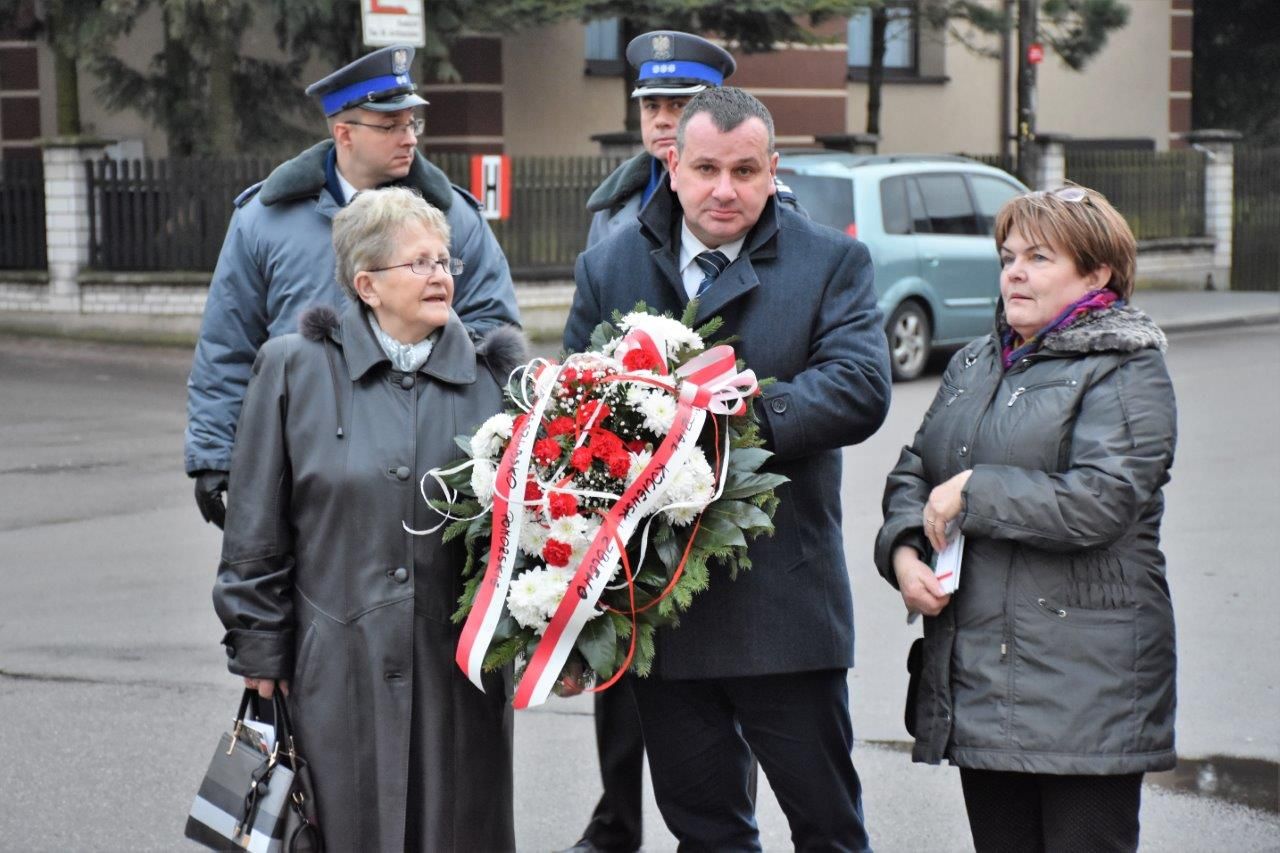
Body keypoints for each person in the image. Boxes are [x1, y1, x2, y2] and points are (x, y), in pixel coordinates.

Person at [566, 86, 891, 852]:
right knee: (708, 832)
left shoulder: (830, 260)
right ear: (672, 165)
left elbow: (860, 386)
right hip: (663, 614)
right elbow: (573, 407)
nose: (724, 189)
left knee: (830, 830)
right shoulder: (608, 265)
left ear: (773, 170)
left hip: (786, 611)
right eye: (706, 167)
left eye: (745, 171)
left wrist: (723, 421)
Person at [212, 187, 524, 852]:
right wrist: (259, 646)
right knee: (341, 825)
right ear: (367, 284)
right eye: (419, 262)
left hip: (458, 673)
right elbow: (256, 526)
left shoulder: (494, 381)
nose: (440, 273)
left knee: (457, 829)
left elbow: (531, 531)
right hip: (334, 665)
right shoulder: (293, 368)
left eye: (445, 261)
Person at [874, 185, 1177, 853]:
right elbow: (915, 473)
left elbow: (1102, 499)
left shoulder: (1127, 367)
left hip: (1083, 689)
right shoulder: (978, 361)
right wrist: (904, 553)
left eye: (1039, 257)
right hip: (982, 674)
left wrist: (976, 491)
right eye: (1008, 255)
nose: (1014, 270)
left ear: (1096, 273)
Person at [186, 44, 520, 529]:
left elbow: (493, 329)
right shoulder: (265, 219)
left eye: (412, 124)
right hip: (300, 451)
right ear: (344, 133)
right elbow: (228, 344)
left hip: (424, 460)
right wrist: (214, 455)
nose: (409, 138)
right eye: (390, 126)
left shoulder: (453, 216)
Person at [573, 30, 739, 853]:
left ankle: (711, 828)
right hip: (625, 466)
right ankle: (618, 818)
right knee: (619, 643)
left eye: (681, 105)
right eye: (653, 105)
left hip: (715, 471)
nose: (664, 120)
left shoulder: (755, 197)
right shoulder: (614, 207)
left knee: (718, 669)